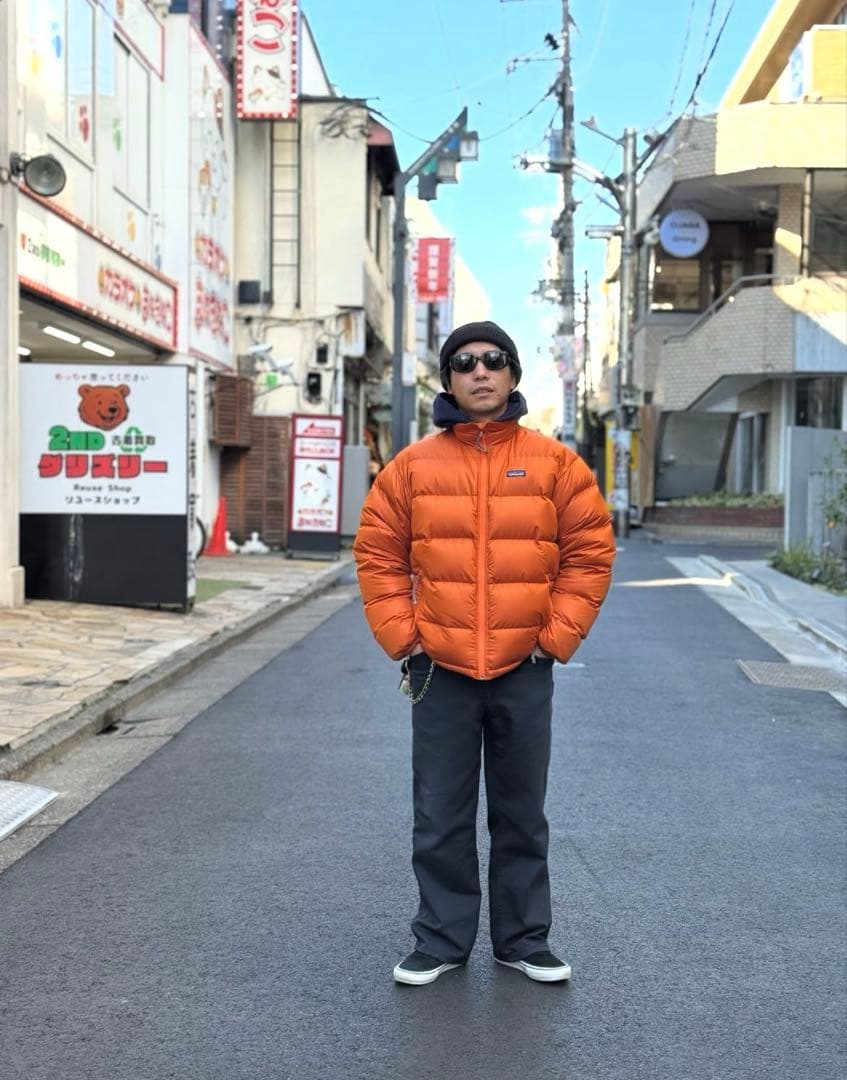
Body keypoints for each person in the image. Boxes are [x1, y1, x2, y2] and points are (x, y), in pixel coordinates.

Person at [353, 320, 615, 986]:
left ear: (512, 374)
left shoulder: (555, 464)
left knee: (521, 812)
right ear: (447, 379)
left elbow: (590, 553)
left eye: (493, 360)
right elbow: (378, 554)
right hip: (438, 667)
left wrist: (554, 638)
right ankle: (440, 941)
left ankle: (523, 940)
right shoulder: (412, 466)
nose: (480, 371)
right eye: (464, 361)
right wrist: (404, 636)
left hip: (524, 666)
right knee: (439, 813)